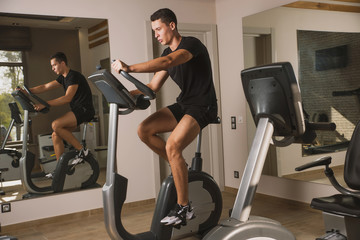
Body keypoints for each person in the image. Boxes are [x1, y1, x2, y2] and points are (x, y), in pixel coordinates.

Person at [112, 8, 218, 226]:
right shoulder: (164, 55)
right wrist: (120, 93)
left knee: (172, 146)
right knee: (144, 130)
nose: (156, 34)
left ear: (172, 26)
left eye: (158, 29)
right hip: (185, 104)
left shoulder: (191, 45)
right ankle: (179, 167)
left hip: (203, 106)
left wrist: (129, 68)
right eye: (153, 31)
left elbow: (169, 61)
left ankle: (184, 208)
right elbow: (152, 87)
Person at [18, 52, 95, 178]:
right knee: (55, 135)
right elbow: (45, 86)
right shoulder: (63, 78)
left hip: (85, 110)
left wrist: (45, 104)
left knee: (55, 124)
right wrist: (26, 91)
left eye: (54, 65)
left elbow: (67, 98)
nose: (52, 68)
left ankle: (83, 151)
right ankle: (61, 169)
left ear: (62, 63)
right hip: (78, 110)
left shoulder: (73, 76)